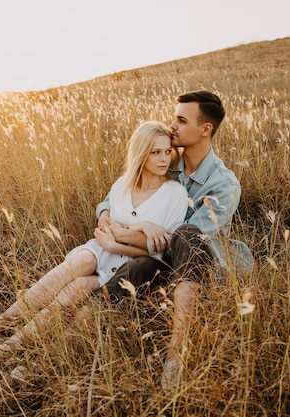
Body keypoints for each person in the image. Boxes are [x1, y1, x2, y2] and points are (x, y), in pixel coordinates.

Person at [0, 121, 189, 382]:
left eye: (167, 151)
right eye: (154, 152)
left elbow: (159, 248)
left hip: (129, 265)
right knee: (80, 262)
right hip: (101, 251)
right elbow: (106, 226)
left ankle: (8, 356)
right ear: (141, 153)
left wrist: (127, 236)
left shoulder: (175, 193)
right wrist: (138, 228)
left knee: (76, 289)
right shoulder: (122, 185)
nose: (163, 158)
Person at [96, 90, 253, 391]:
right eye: (174, 118)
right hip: (153, 258)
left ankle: (175, 356)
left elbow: (181, 240)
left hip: (199, 263)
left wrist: (123, 234)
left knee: (187, 234)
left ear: (205, 129)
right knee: (132, 271)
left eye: (181, 120)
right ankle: (73, 330)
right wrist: (104, 213)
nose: (172, 126)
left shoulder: (223, 183)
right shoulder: (166, 160)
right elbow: (120, 191)